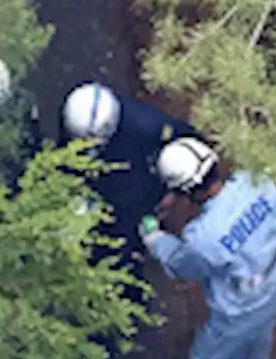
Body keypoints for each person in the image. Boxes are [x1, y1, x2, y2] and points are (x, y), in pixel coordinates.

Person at [138, 136, 276, 359]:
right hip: (273, 288)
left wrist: (156, 239)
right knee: (257, 354)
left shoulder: (204, 237)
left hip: (239, 311)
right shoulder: (258, 182)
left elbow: (183, 264)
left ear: (185, 191)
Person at [62, 81, 195, 247]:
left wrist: (173, 193)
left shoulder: (147, 125)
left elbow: (187, 142)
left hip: (140, 193)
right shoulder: (77, 120)